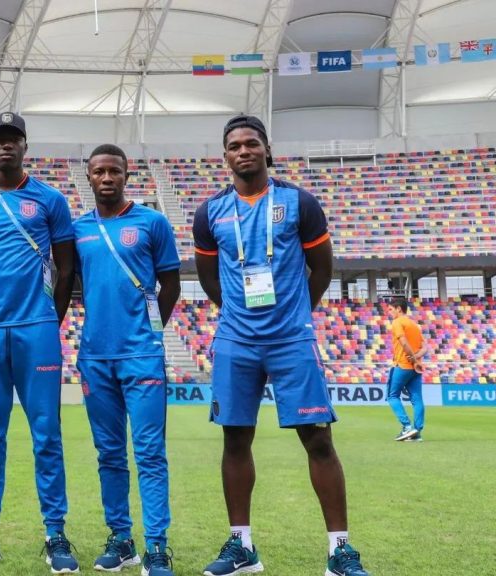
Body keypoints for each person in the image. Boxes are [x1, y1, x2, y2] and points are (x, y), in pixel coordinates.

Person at [192, 114, 370, 576]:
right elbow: (209, 278)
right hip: (236, 339)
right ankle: (242, 546)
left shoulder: (299, 202)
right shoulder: (209, 212)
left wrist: (292, 315)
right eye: (234, 145)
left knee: (318, 440)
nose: (243, 151)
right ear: (225, 155)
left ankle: (340, 551)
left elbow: (323, 269)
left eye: (252, 143)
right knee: (235, 438)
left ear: (267, 150)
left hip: (291, 337)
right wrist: (238, 315)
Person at [0, 112, 79, 573]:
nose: (6, 146)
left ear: (26, 146)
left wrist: (50, 318)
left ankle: (55, 533)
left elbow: (66, 268)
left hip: (37, 330)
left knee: (47, 435)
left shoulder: (50, 200)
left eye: (14, 139)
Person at [73, 144, 181, 576]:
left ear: (127, 174)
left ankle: (156, 546)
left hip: (142, 356)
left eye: (113, 171)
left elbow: (170, 285)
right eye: (98, 171)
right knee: (109, 454)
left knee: (151, 453)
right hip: (95, 355)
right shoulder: (78, 229)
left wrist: (151, 333)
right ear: (89, 176)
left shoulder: (153, 223)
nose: (106, 178)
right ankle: (121, 540)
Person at [384, 296, 426, 442]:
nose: (389, 312)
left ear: (398, 309)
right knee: (417, 399)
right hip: (416, 368)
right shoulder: (414, 325)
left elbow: (403, 342)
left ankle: (407, 427)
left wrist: (413, 359)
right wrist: (417, 360)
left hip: (402, 364)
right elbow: (425, 347)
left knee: (392, 396)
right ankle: (417, 432)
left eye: (390, 309)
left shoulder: (397, 322)